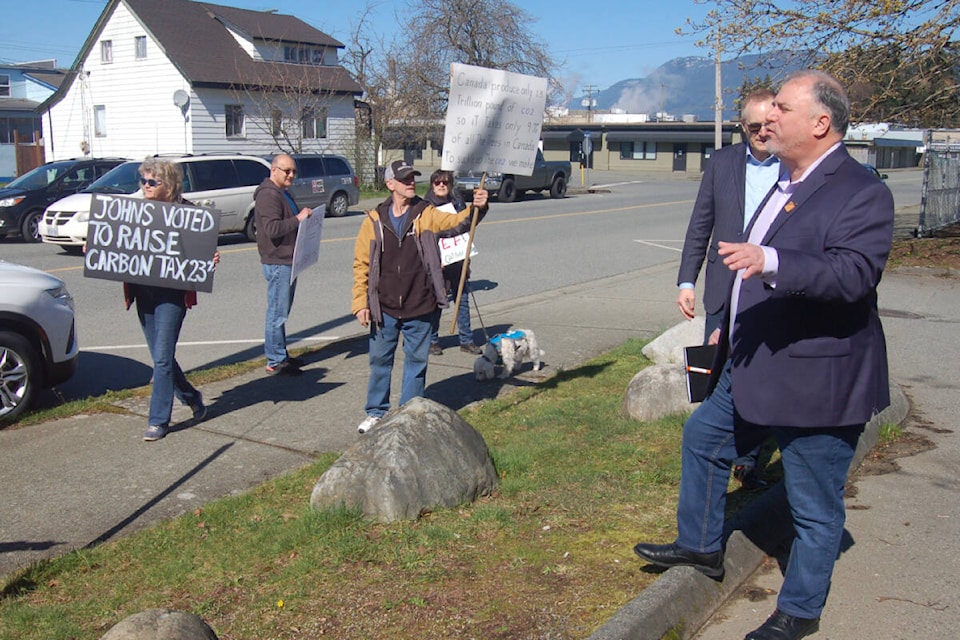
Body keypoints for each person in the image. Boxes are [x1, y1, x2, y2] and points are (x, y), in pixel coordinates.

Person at [633, 70, 894, 640]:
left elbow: (853, 275)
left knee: (813, 503)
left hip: (817, 376)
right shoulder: (784, 180)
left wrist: (771, 262)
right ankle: (700, 547)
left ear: (821, 123)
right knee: (703, 439)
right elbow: (733, 251)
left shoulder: (862, 190)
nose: (766, 118)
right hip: (755, 358)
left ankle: (798, 611)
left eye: (781, 108)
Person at [677, 88, 780, 490]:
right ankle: (710, 450)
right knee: (712, 372)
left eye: (769, 125)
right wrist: (687, 281)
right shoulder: (721, 163)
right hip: (722, 289)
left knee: (758, 375)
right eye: (754, 126)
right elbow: (700, 225)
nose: (762, 133)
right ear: (742, 126)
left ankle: (749, 457)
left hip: (768, 287)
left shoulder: (792, 166)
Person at [352, 160, 489, 434]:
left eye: (413, 178)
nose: (411, 182)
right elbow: (361, 264)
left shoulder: (427, 213)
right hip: (385, 306)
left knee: (416, 363)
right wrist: (360, 303)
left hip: (420, 303)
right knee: (380, 361)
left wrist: (478, 207)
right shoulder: (374, 220)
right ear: (390, 185)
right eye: (404, 179)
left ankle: (409, 415)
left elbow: (458, 224)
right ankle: (376, 412)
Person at [127, 158, 215, 441]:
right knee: (160, 357)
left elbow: (200, 251)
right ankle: (192, 398)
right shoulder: (134, 211)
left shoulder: (187, 213)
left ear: (169, 185)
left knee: (162, 358)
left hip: (172, 294)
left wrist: (208, 259)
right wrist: (97, 247)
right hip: (144, 291)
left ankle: (158, 421)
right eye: (143, 181)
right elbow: (120, 244)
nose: (146, 186)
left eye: (152, 182)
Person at [254, 153, 313, 376]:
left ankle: (281, 354)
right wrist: (298, 219)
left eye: (293, 171)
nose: (291, 175)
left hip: (288, 259)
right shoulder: (268, 195)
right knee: (277, 313)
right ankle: (275, 359)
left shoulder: (281, 192)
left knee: (282, 311)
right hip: (277, 261)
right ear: (274, 170)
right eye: (286, 171)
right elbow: (272, 229)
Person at [424, 169, 483, 356]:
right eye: (437, 182)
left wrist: (466, 258)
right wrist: (436, 259)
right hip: (438, 263)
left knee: (462, 300)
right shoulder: (426, 207)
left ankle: (466, 339)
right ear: (432, 185)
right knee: (436, 303)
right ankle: (432, 340)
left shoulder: (457, 203)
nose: (442, 186)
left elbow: (465, 228)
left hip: (457, 261)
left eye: (446, 182)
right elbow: (428, 236)